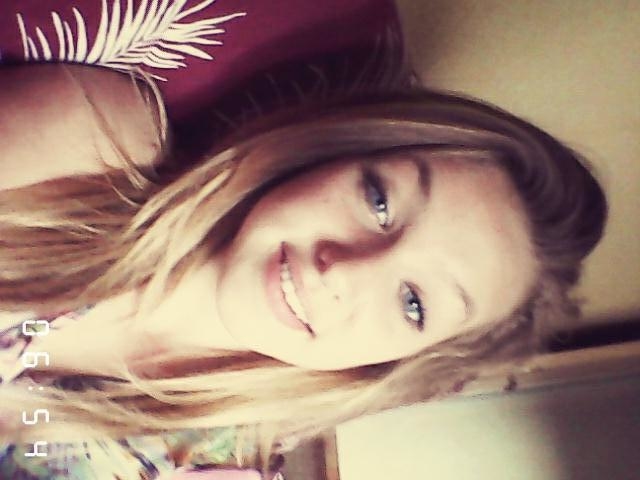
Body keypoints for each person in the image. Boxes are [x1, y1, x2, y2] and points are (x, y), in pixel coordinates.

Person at [0, 2, 607, 479]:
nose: (342, 270)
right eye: (379, 201)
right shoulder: (92, 147)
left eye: (413, 303)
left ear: (399, 363)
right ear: (338, 149)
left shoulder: (207, 470)